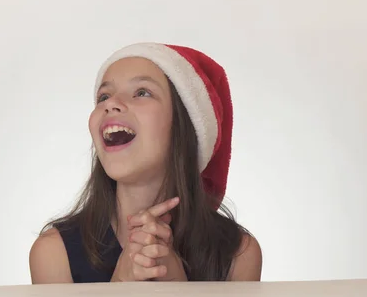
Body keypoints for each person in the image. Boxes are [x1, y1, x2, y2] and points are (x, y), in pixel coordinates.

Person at [29, 42, 262, 283]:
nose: (110, 103)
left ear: (185, 126)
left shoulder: (239, 254)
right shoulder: (53, 254)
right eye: (104, 96)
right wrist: (117, 290)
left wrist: (179, 292)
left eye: (142, 92)